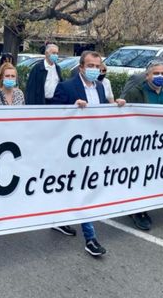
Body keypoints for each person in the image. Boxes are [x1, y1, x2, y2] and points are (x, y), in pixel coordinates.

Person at [50, 51, 126, 256]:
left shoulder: (100, 87)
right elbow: (51, 113)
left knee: (79, 187)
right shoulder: (66, 87)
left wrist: (116, 107)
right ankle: (90, 238)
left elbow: (101, 113)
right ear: (81, 67)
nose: (94, 69)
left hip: (94, 147)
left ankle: (58, 220)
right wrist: (71, 107)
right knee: (82, 189)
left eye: (97, 66)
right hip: (73, 148)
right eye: (90, 65)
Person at [123, 59, 163, 230]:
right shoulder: (136, 92)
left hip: (161, 143)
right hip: (141, 143)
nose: (159, 76)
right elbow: (125, 113)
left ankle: (145, 204)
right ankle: (137, 211)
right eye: (156, 73)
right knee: (140, 176)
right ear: (147, 75)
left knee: (152, 176)